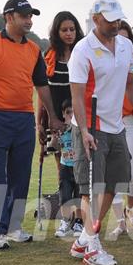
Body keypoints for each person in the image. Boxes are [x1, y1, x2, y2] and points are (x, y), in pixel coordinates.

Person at [0, 0, 62, 250]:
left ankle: (13, 227)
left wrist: (52, 116)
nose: (29, 21)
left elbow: (42, 85)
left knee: (21, 176)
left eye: (31, 16)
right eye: (24, 16)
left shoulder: (33, 49)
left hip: (23, 119)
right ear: (9, 17)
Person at [67, 0, 133, 265]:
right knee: (93, 189)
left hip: (117, 126)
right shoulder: (83, 50)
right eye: (111, 20)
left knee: (115, 184)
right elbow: (77, 96)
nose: (116, 25)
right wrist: (86, 130)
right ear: (96, 19)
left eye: (119, 20)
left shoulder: (126, 46)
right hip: (91, 127)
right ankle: (92, 246)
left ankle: (86, 237)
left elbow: (130, 85)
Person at [108, 21, 133, 238]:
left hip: (131, 120)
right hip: (111, 120)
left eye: (125, 39)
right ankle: (120, 222)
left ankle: (130, 210)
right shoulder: (103, 59)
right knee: (114, 175)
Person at [38, 11, 85, 169]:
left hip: (80, 116)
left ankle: (81, 194)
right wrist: (41, 121)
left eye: (72, 29)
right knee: (63, 163)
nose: (69, 33)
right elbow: (43, 89)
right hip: (56, 118)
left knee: (81, 160)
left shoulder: (83, 54)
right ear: (57, 32)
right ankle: (64, 192)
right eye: (64, 30)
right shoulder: (49, 56)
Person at [54, 100, 84, 238]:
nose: (70, 116)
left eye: (73, 112)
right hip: (65, 167)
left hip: (78, 167)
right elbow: (54, 147)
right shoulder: (62, 130)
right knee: (65, 196)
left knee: (79, 197)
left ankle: (79, 222)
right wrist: (56, 136)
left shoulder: (80, 129)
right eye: (68, 113)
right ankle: (65, 222)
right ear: (63, 114)